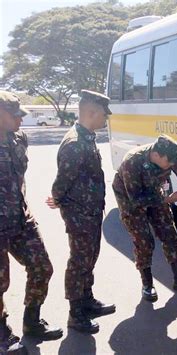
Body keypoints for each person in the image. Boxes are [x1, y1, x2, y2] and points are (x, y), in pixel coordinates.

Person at [47, 90, 115, 334]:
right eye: (104, 115)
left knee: (89, 257)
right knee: (79, 261)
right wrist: (62, 203)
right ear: (91, 113)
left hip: (90, 211)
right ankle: (76, 314)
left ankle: (87, 300)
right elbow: (61, 183)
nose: (106, 119)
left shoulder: (87, 137)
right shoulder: (75, 143)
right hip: (80, 214)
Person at [0, 91, 63, 354]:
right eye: (14, 116)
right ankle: (2, 335)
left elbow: (18, 178)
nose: (19, 121)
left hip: (20, 218)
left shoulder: (19, 138)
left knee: (42, 267)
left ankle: (32, 321)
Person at [112, 135, 177, 302]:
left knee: (170, 234)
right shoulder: (132, 162)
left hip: (155, 193)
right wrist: (169, 199)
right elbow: (137, 199)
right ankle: (147, 285)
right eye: (168, 162)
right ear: (156, 155)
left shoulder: (171, 156)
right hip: (130, 200)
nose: (172, 165)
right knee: (144, 241)